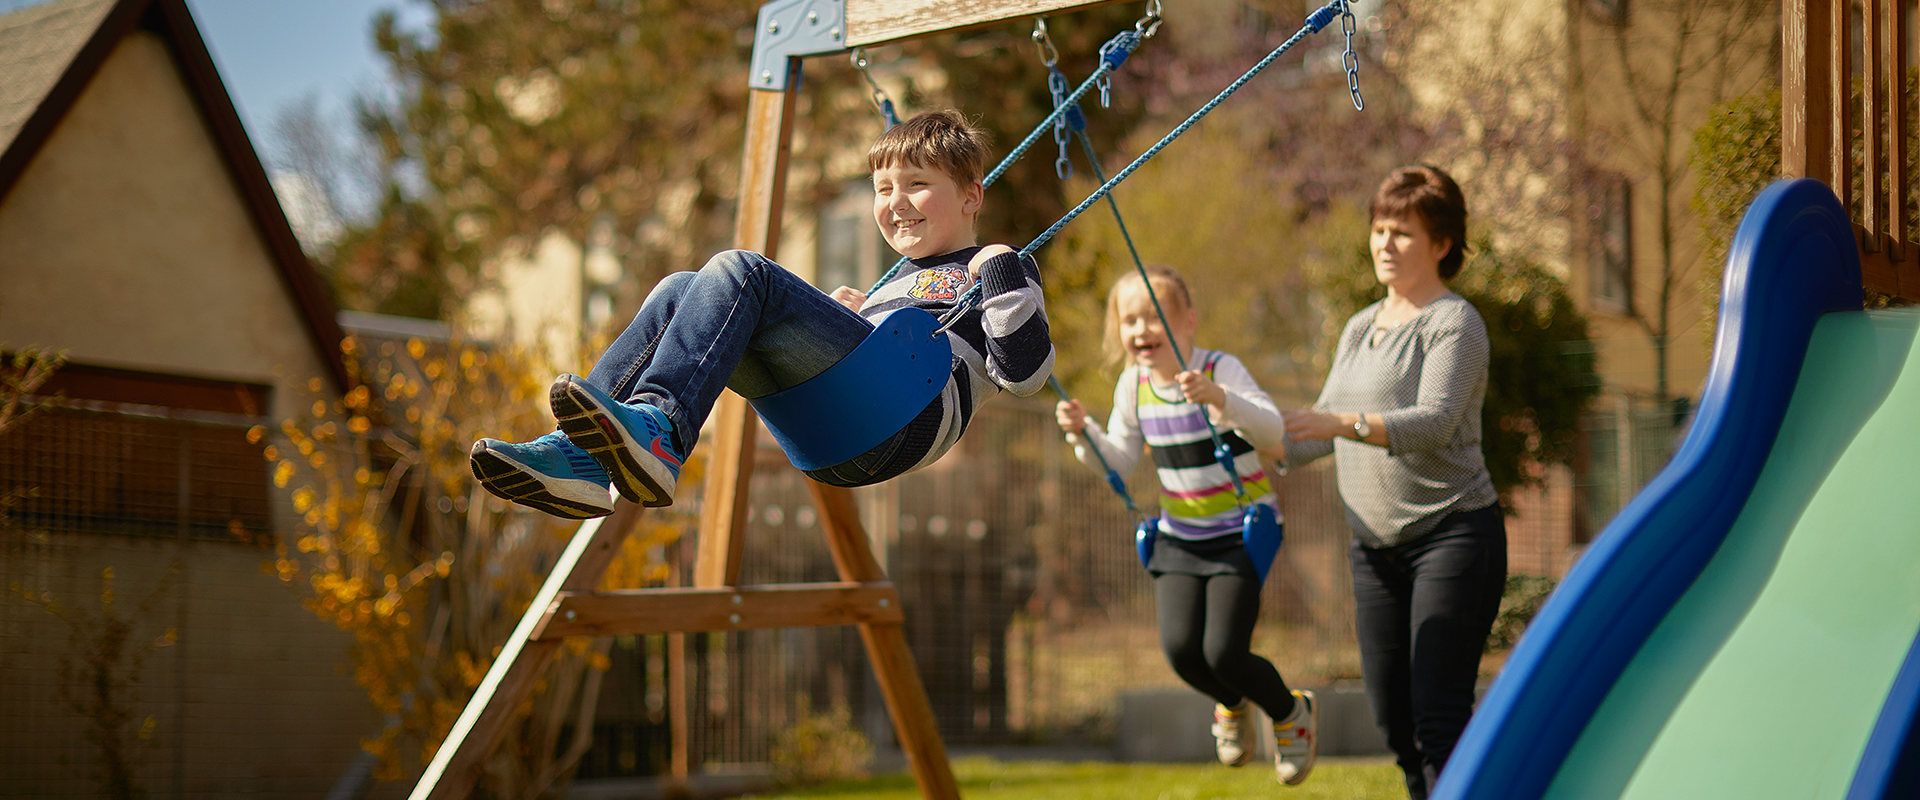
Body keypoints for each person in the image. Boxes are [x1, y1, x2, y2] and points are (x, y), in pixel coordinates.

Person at [469, 109, 1054, 518]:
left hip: (904, 418)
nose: (895, 202)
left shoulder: (995, 265)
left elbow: (1024, 376)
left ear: (972, 196)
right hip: (831, 430)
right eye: (881, 188)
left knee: (739, 270)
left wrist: (1000, 271)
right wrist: (854, 319)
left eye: (917, 184)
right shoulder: (889, 286)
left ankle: (662, 429)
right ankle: (581, 460)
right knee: (680, 289)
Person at [1280, 165, 1505, 800]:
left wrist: (1340, 422)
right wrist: (1243, 435)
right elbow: (1316, 435)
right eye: (1379, 229)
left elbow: (1433, 423)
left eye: (1402, 232)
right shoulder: (1359, 326)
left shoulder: (1454, 324)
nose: (1384, 243)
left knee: (1439, 719)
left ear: (1441, 244)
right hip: (1373, 548)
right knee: (1395, 723)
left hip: (1453, 536)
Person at [1054, 264, 1317, 786]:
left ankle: (1290, 714)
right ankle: (1231, 704)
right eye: (1130, 320)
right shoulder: (1133, 386)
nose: (1141, 330)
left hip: (1238, 533)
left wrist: (1219, 399)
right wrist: (1082, 435)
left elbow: (1271, 429)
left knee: (1223, 651)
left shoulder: (1221, 369)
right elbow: (1121, 462)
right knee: (1181, 651)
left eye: (1155, 317)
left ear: (1189, 321)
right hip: (1181, 536)